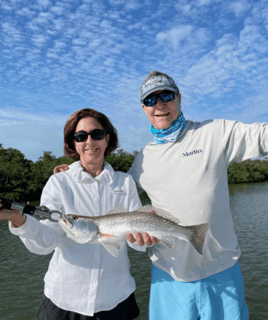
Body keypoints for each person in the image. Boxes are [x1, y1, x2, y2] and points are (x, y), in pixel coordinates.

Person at [53, 70, 266, 319]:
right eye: (151, 100)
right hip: (168, 275)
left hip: (221, 269)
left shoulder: (214, 133)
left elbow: (262, 135)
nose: (160, 105)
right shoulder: (144, 159)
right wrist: (76, 170)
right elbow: (112, 186)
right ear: (143, 107)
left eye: (166, 95)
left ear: (179, 97)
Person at [0, 108, 144, 320]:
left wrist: (144, 239)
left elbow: (136, 243)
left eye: (96, 134)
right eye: (80, 136)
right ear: (73, 143)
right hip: (64, 303)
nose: (89, 141)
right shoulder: (59, 182)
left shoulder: (125, 182)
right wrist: (17, 218)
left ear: (107, 138)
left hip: (117, 300)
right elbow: (46, 241)